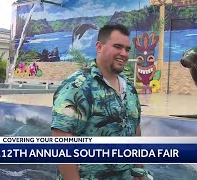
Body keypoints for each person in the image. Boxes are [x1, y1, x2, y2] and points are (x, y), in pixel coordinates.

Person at [51, 24, 144, 180]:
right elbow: (62, 140)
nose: (124, 54)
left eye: (127, 49)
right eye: (118, 47)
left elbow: (136, 131)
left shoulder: (129, 88)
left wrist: (140, 173)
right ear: (99, 47)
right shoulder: (78, 86)